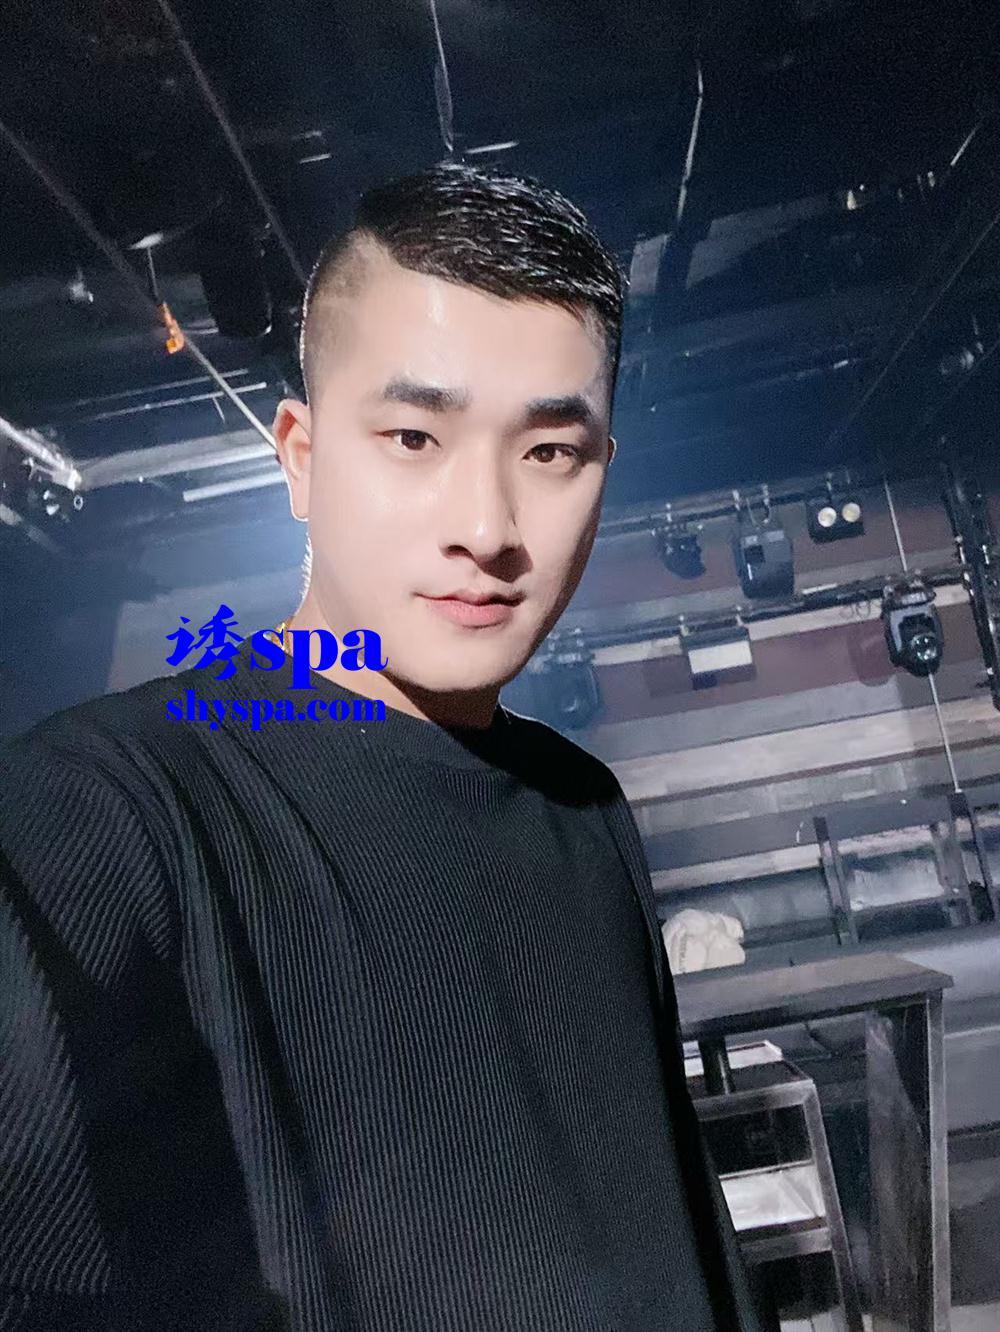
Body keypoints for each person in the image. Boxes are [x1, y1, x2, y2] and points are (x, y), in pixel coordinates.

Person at [0, 162, 763, 1331]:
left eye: (550, 452)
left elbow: (670, 1223)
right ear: (300, 460)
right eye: (413, 436)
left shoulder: (582, 806)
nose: (487, 528)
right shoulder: (105, 810)